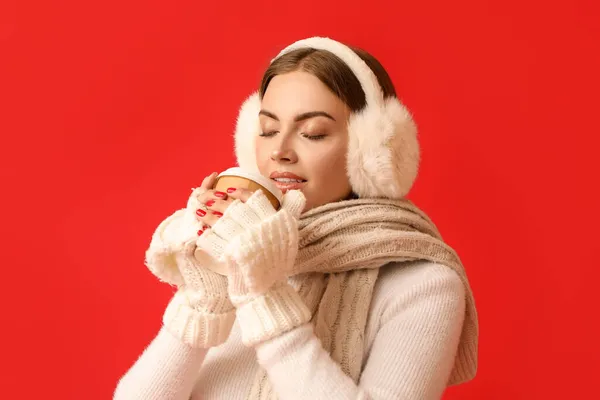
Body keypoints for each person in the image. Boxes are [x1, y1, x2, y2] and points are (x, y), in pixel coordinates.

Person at [114, 36, 479, 400]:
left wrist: (266, 294)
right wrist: (204, 299)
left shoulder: (423, 283)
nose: (280, 151)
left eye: (313, 134)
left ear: (371, 150)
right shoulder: (237, 248)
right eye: (268, 130)